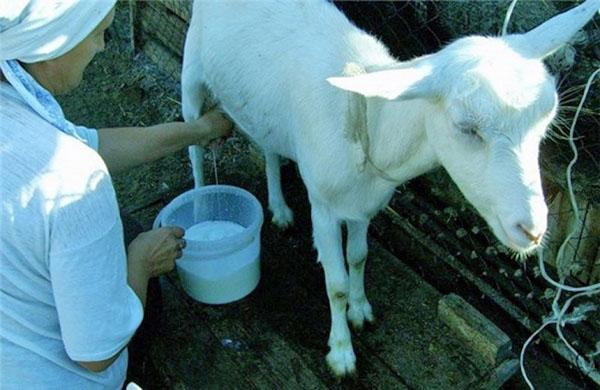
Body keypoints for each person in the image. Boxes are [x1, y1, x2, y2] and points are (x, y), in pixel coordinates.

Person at [0, 1, 232, 388]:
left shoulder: (16, 111)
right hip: (53, 378)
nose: (103, 46)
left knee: (120, 230)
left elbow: (91, 144)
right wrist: (141, 261)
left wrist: (199, 130)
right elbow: (96, 354)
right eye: (96, 33)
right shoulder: (74, 184)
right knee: (133, 256)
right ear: (52, 41)